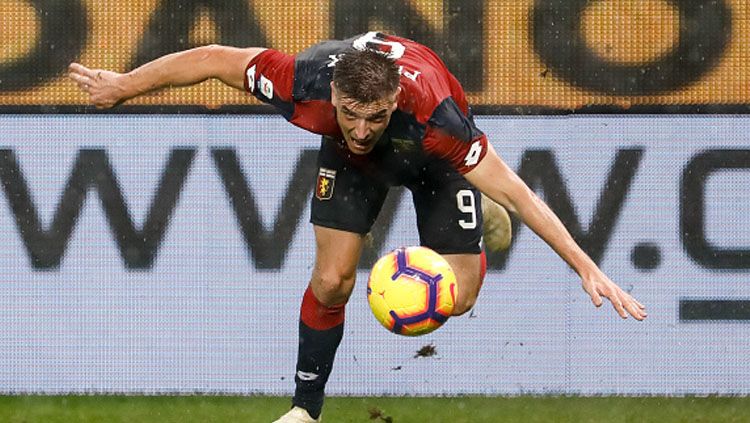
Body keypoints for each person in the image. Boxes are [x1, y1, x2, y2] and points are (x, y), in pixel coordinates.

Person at [69, 31, 647, 423]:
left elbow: (521, 195)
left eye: (374, 116)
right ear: (335, 97)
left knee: (461, 298)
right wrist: (121, 85)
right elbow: (216, 59)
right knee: (332, 281)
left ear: (394, 99)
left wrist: (587, 268)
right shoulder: (308, 82)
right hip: (350, 168)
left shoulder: (441, 122)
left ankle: (475, 207)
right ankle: (304, 407)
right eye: (350, 113)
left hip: (433, 162)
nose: (362, 126)